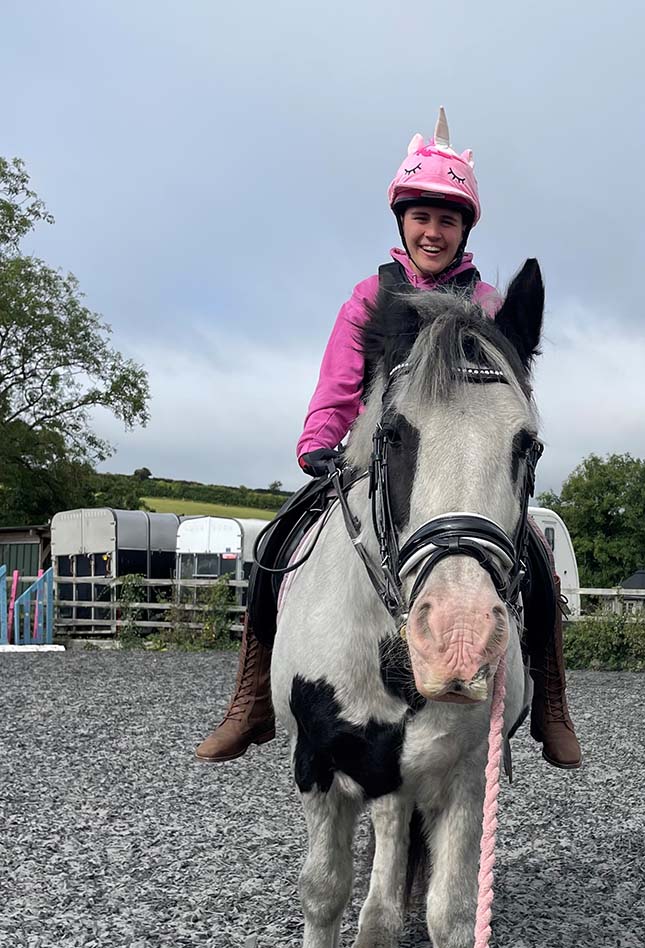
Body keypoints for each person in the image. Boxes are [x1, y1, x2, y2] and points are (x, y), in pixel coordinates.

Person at [195, 109, 582, 769]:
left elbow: (507, 397)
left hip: (459, 472)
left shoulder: (488, 306)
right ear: (402, 220)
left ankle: (551, 704)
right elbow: (339, 381)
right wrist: (319, 441)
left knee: (538, 561)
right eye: (423, 217)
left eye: (448, 219)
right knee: (273, 544)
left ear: (465, 230)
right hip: (376, 461)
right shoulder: (368, 299)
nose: (434, 231)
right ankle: (251, 696)